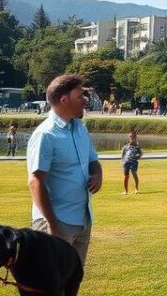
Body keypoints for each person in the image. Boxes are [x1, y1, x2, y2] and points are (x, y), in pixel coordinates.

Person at [27, 74, 102, 263]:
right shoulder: (46, 135)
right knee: (49, 284)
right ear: (64, 100)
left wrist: (97, 174)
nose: (85, 100)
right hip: (56, 223)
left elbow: (93, 160)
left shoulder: (79, 127)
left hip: (82, 219)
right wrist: (53, 225)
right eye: (80, 96)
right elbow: (36, 183)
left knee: (71, 281)